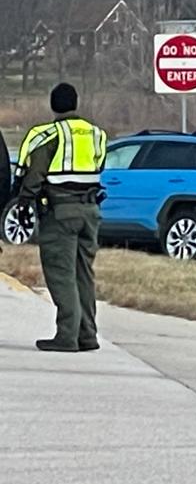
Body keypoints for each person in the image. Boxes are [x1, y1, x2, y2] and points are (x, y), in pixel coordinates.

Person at [14, 82, 107, 352]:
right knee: (83, 274)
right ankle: (87, 335)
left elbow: (36, 174)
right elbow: (98, 166)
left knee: (61, 273)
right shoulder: (96, 134)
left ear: (53, 105)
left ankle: (66, 336)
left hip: (60, 212)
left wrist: (23, 202)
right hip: (90, 211)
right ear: (75, 103)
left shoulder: (50, 135)